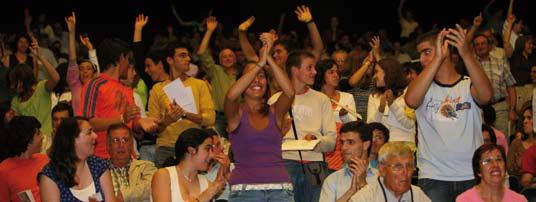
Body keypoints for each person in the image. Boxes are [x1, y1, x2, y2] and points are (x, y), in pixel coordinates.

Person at [405, 26, 493, 202]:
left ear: (445, 49)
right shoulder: (422, 87)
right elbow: (411, 101)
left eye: (426, 52)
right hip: (434, 177)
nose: (421, 59)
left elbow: (486, 96)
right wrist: (437, 58)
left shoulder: (468, 84)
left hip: (471, 174)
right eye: (420, 53)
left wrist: (467, 54)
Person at [225, 32, 294, 201]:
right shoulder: (236, 113)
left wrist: (267, 57)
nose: (257, 80)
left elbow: (290, 92)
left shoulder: (275, 111)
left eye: (261, 76)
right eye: (251, 77)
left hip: (281, 190)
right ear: (241, 81)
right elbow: (230, 96)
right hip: (245, 192)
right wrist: (258, 65)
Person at [268, 49, 337, 202]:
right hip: (285, 162)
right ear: (294, 70)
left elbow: (331, 142)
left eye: (314, 68)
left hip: (315, 165)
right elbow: (265, 141)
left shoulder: (322, 100)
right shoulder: (275, 100)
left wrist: (315, 141)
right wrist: (280, 132)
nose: (314, 72)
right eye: (309, 67)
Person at [78, 37, 157, 158]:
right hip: (101, 158)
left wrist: (141, 123)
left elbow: (131, 123)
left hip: (128, 158)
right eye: (128, 59)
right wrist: (121, 118)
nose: (129, 64)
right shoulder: (94, 85)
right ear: (121, 58)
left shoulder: (126, 88)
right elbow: (88, 124)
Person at [148, 42, 215, 168]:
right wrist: (167, 120)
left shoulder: (200, 84)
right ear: (170, 60)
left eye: (188, 56)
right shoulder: (157, 89)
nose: (188, 59)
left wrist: (185, 113)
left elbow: (210, 119)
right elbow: (153, 128)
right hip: (167, 148)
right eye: (183, 56)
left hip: (193, 148)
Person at [38, 117, 116, 201]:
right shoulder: (50, 175)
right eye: (89, 132)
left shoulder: (99, 166)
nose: (95, 136)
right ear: (72, 140)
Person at [151, 128, 227, 202]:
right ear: (191, 150)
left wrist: (222, 178)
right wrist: (206, 195)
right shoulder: (164, 175)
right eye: (207, 149)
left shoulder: (207, 183)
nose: (211, 155)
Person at [9, 35, 60, 144]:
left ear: (25, 80)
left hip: (47, 140)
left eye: (16, 82)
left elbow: (56, 78)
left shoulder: (42, 88)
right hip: (29, 144)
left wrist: (40, 57)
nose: (13, 86)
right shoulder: (16, 100)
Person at [314, 59, 360, 172]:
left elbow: (354, 126)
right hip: (321, 148)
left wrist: (343, 116)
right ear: (321, 75)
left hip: (343, 148)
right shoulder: (314, 99)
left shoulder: (347, 97)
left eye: (336, 72)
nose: (336, 75)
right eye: (331, 72)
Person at [197, 16, 238, 139]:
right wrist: (209, 31)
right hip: (219, 117)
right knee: (217, 146)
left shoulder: (242, 74)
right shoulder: (215, 71)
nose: (228, 58)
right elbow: (201, 53)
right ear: (219, 60)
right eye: (224, 57)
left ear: (235, 59)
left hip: (238, 116)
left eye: (230, 56)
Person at [350, 142, 430, 202]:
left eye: (409, 166)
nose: (405, 173)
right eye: (398, 167)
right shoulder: (365, 198)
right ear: (382, 169)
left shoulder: (417, 195)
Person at [319, 121, 378, 202]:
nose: (343, 148)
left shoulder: (380, 178)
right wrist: (350, 192)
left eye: (350, 142)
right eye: (342, 142)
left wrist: (363, 185)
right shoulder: (332, 180)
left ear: (366, 145)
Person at [472, 33, 517, 135]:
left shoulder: (500, 62)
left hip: (500, 108)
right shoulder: (470, 65)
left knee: (503, 140)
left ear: (489, 45)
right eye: (477, 44)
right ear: (474, 48)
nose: (480, 46)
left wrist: (512, 110)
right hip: (479, 110)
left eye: (483, 43)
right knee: (482, 142)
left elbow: (511, 87)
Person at [0, 116, 48, 202]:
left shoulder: (45, 160)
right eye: (38, 133)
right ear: (28, 139)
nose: (42, 137)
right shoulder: (4, 170)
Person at [456, 144, 527, 202]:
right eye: (487, 161)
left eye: (499, 159)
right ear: (478, 171)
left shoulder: (519, 200)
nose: (495, 165)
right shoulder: (464, 200)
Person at [106, 123, 156, 202]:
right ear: (108, 146)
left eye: (125, 140)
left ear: (131, 144)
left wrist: (123, 196)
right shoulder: (100, 171)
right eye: (116, 140)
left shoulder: (146, 166)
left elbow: (154, 186)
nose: (121, 145)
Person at [508, 103, 534, 178]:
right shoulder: (516, 143)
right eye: (524, 118)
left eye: (529, 118)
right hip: (520, 188)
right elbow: (509, 173)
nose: (525, 121)